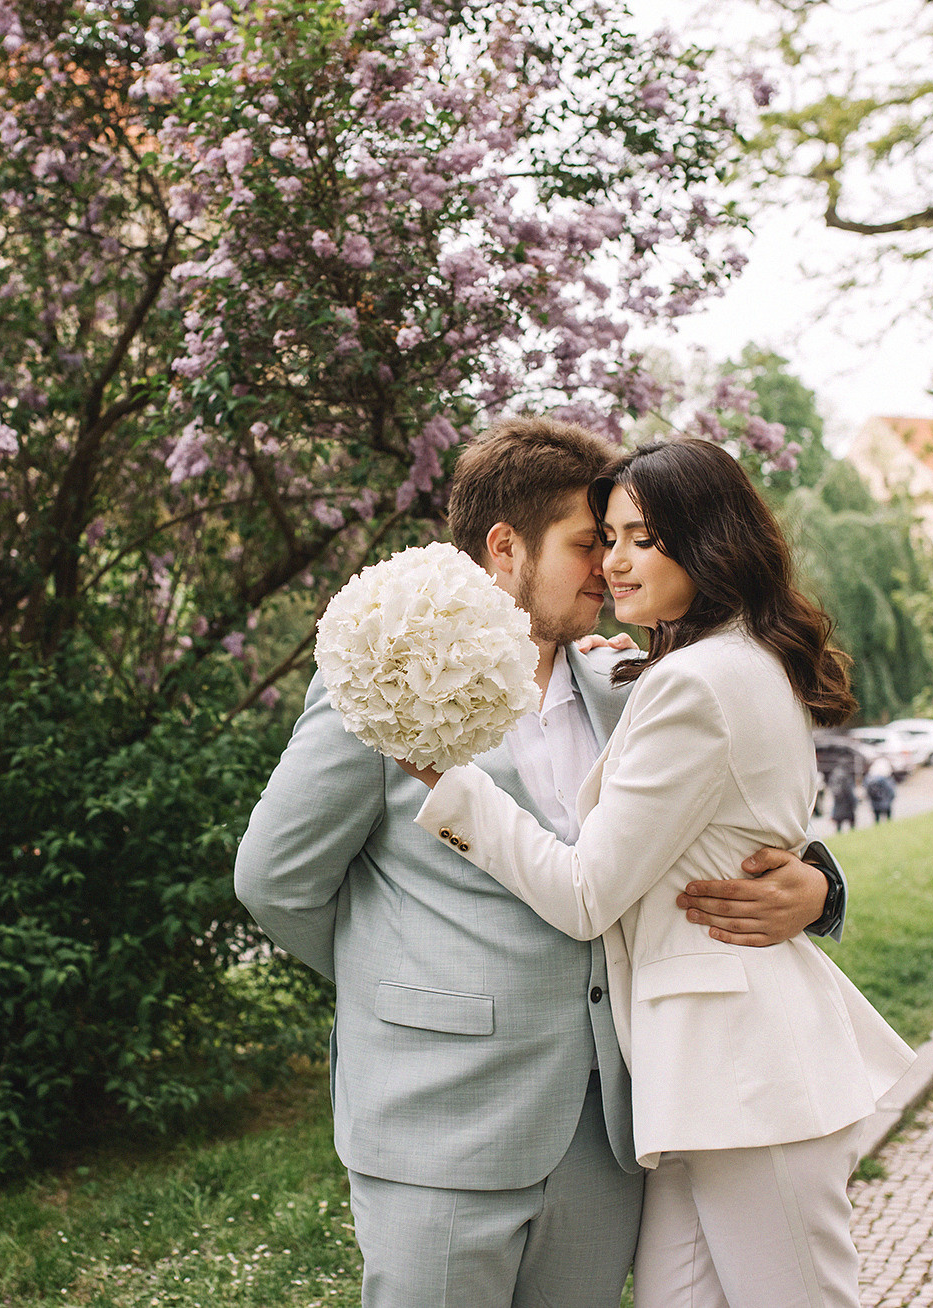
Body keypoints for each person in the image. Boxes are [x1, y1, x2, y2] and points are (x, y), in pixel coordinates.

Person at [234, 417, 851, 1308]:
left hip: (607, 1133)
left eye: (622, 540)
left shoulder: (627, 680)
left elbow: (729, 815)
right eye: (588, 543)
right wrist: (400, 985)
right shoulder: (381, 683)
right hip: (442, 1124)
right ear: (504, 548)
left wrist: (820, 886)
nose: (609, 565)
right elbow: (275, 880)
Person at [399, 438, 913, 1308]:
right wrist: (820, 884)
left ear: (707, 542)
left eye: (643, 537)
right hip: (700, 1075)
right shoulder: (712, 665)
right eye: (606, 537)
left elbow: (586, 893)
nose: (615, 560)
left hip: (747, 1068)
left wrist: (457, 792)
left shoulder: (699, 683)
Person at [828, 763, 859, 832]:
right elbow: (849, 791)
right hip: (847, 804)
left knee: (839, 823)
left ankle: (838, 833)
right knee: (851, 821)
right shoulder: (846, 777)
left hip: (838, 803)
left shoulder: (834, 776)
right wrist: (855, 802)